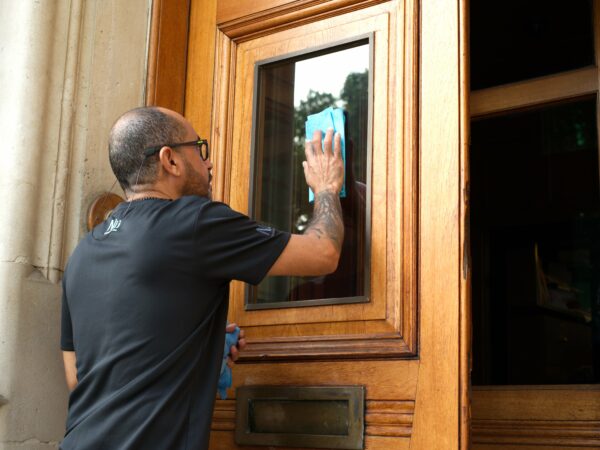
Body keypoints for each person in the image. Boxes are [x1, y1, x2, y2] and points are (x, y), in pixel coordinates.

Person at [59, 106, 344, 449]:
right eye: (199, 148)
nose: (209, 163)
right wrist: (326, 187)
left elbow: (77, 377)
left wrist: (189, 342)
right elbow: (324, 252)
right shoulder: (195, 222)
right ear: (171, 160)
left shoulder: (83, 252)